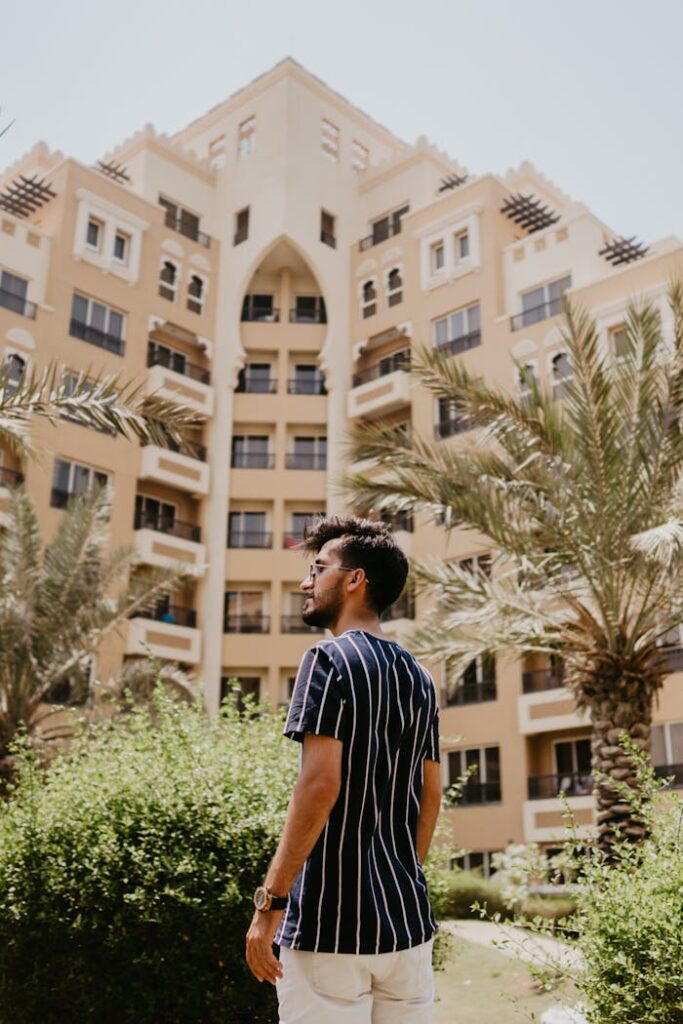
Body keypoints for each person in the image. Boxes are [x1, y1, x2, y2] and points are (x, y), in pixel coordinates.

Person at [245, 515, 442, 1023]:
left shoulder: (328, 659)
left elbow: (319, 784)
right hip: (406, 930)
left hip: (329, 931)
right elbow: (431, 791)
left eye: (318, 568)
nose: (305, 583)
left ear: (355, 580)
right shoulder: (419, 676)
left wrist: (270, 904)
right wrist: (402, 875)